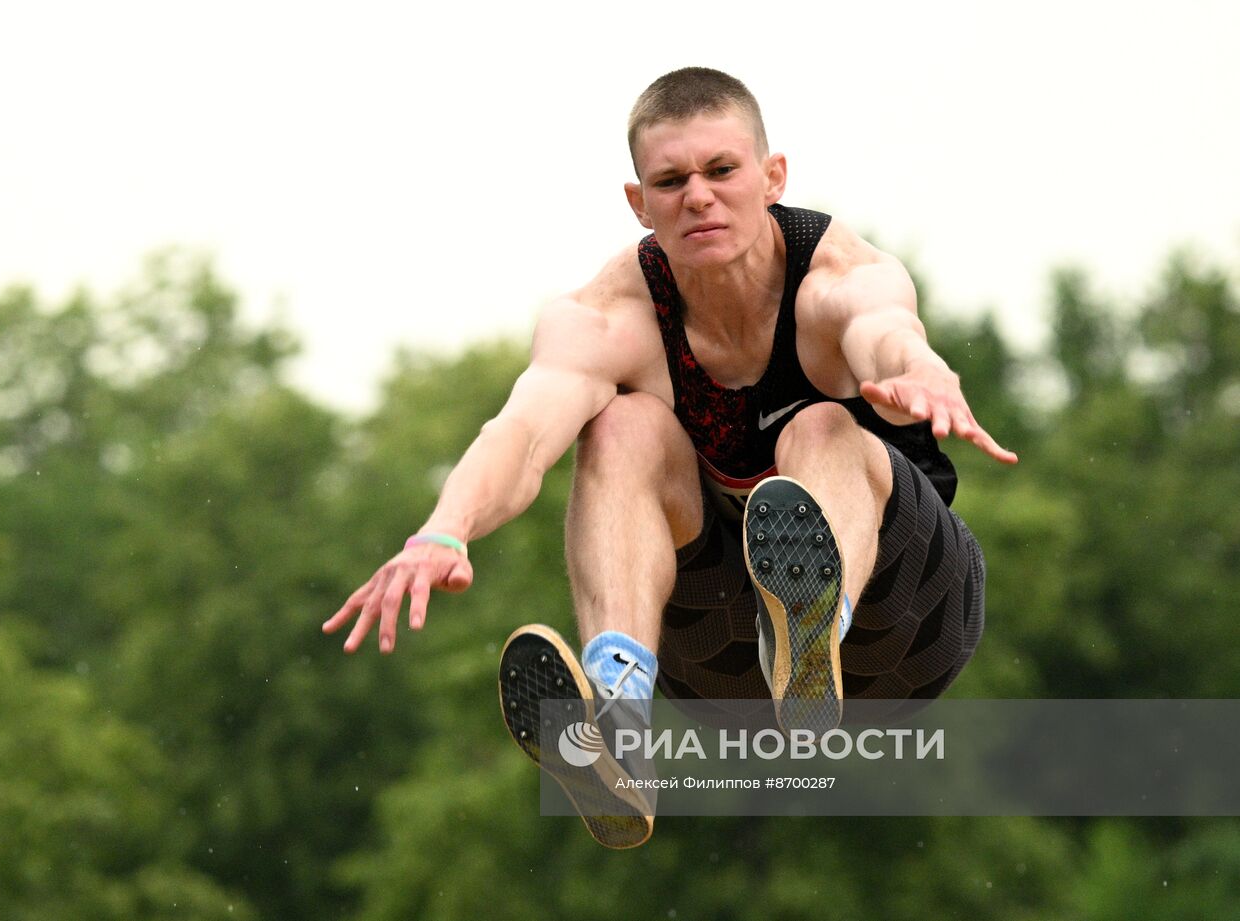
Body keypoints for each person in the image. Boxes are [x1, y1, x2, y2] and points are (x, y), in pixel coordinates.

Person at [324, 67, 1017, 848]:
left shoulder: (836, 278)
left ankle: (815, 626)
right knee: (619, 427)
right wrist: (441, 532)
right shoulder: (608, 316)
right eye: (671, 179)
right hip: (722, 671)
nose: (698, 196)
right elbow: (521, 433)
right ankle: (619, 720)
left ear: (771, 176)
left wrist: (920, 369)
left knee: (819, 428)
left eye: (722, 170)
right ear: (638, 201)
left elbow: (883, 328)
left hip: (908, 623)